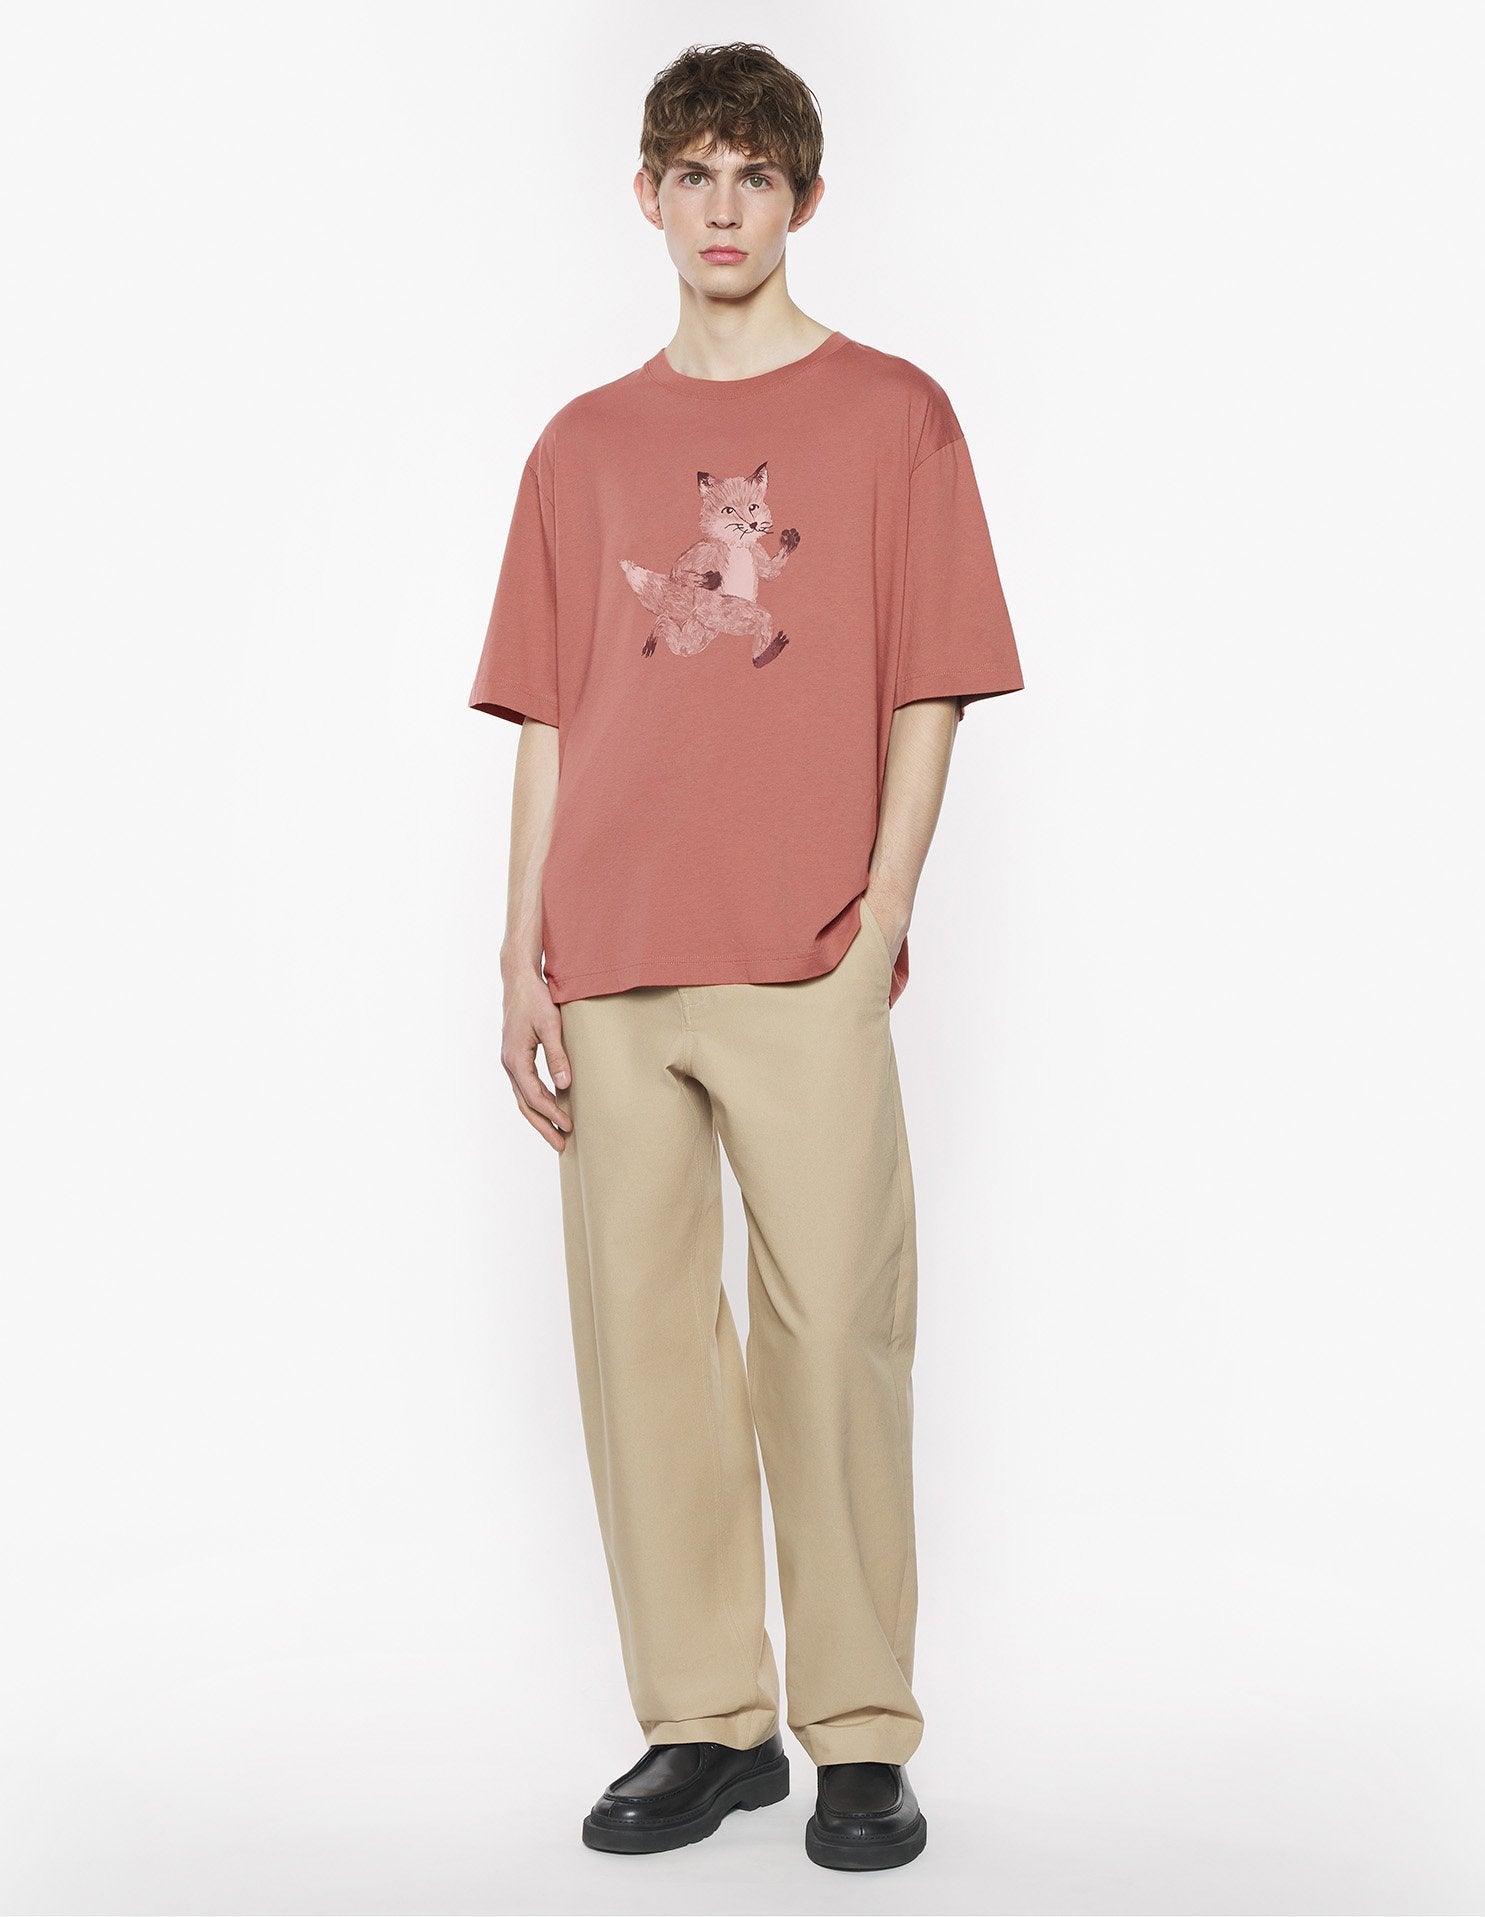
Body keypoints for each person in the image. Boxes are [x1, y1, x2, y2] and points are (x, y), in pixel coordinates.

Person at [467, 40, 1024, 1873]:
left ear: (804, 199)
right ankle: (706, 1722)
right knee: (641, 1341)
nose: (722, 208)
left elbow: (934, 677)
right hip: (613, 948)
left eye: (754, 177)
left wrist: (884, 908)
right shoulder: (580, 445)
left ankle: (858, 1730)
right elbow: (552, 710)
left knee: (834, 1331)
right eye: (693, 176)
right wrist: (519, 947)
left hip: (805, 945)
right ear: (645, 196)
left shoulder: (893, 417)